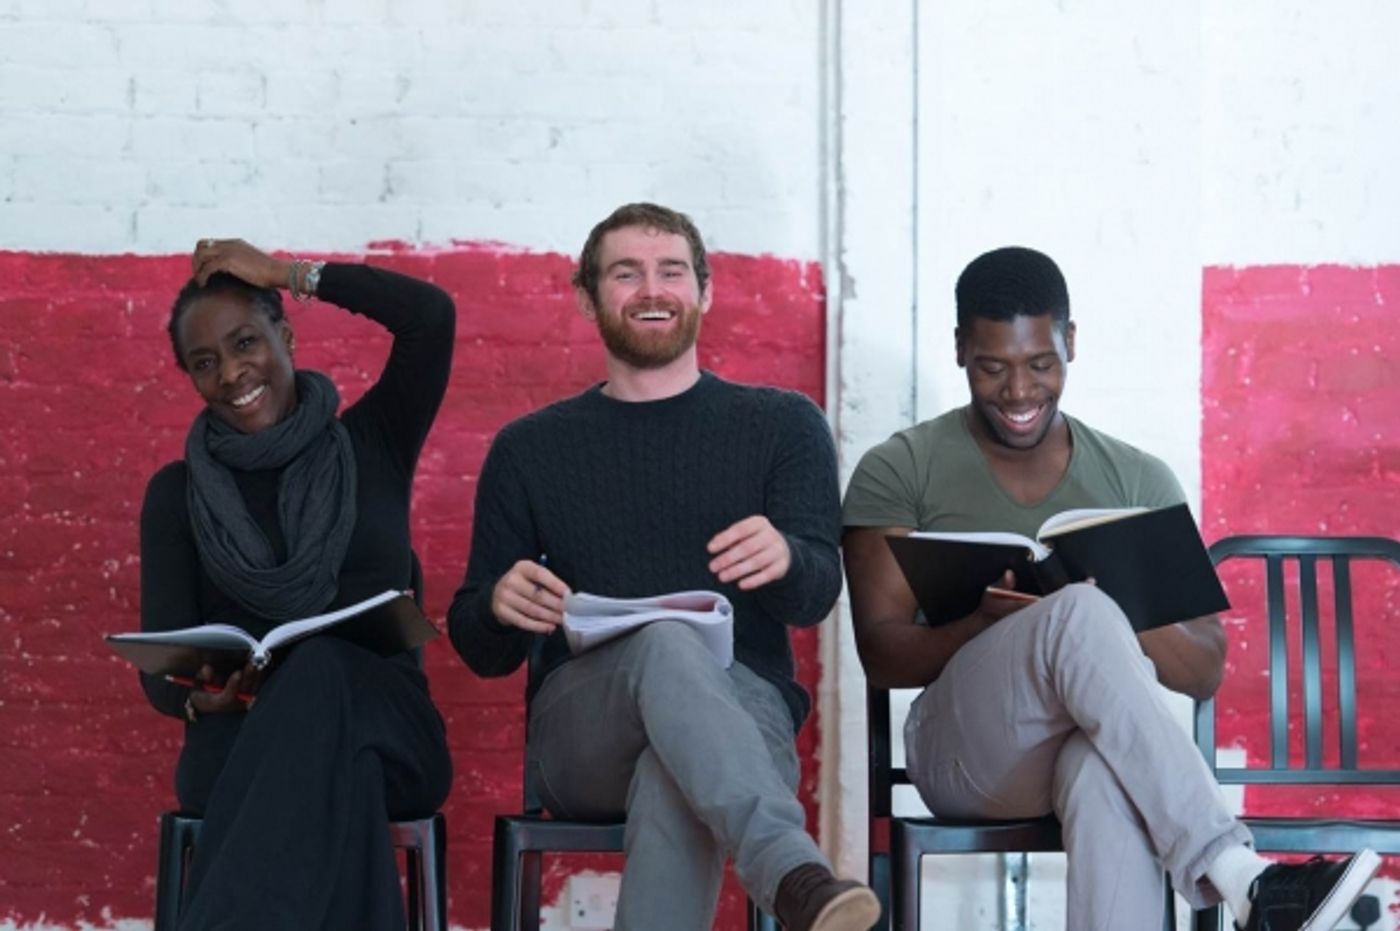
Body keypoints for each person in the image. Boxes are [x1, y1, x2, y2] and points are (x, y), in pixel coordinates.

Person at [841, 246, 1379, 931]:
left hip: (1083, 743)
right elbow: (881, 653)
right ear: (959, 349)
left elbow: (1204, 669)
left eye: (1041, 364)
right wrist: (981, 623)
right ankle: (1244, 875)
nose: (1018, 392)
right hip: (960, 750)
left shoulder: (1136, 478)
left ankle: (1246, 884)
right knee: (1079, 615)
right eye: (992, 366)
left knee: (1106, 768)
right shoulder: (901, 467)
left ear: (1071, 342)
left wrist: (1119, 600)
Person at [448, 203, 880, 931]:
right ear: (588, 297)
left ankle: (793, 873)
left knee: (676, 772)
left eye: (671, 271)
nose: (652, 290)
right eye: (626, 273)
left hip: (741, 724)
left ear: (704, 291)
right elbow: (476, 645)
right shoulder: (530, 449)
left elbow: (816, 595)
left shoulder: (782, 425)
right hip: (584, 734)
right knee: (665, 640)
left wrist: (789, 557)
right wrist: (496, 602)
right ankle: (792, 872)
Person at [139, 239, 455, 930]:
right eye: (204, 362)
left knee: (319, 667)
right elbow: (162, 678)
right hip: (242, 736)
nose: (230, 372)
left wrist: (286, 273)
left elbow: (431, 317)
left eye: (245, 341)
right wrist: (203, 696)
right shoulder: (177, 496)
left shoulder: (374, 442)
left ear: (284, 333)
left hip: (392, 724)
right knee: (344, 775)